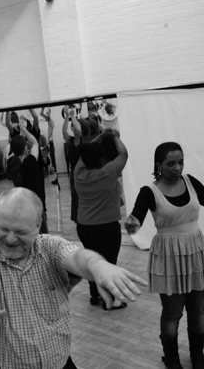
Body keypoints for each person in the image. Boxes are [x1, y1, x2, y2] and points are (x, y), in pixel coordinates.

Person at [0, 187, 148, 369]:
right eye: (2, 228)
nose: (10, 239)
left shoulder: (50, 247)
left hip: (60, 364)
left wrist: (98, 265)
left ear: (38, 225)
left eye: (20, 231)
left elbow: (77, 256)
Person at [125, 142, 204, 369]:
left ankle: (197, 356)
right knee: (172, 313)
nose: (177, 167)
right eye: (171, 163)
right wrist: (131, 225)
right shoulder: (149, 192)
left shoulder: (190, 182)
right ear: (158, 164)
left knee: (198, 309)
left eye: (180, 162)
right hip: (169, 256)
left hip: (195, 251)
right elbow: (136, 218)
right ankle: (171, 359)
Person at [74, 128, 128, 309]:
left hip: (84, 227)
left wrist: (103, 135)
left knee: (92, 262)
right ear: (101, 159)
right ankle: (109, 301)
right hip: (106, 227)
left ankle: (95, 295)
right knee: (108, 264)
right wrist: (113, 136)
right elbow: (123, 153)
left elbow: (89, 149)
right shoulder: (108, 172)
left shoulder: (78, 172)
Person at [9, 117, 48, 234]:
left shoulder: (11, 163)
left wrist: (21, 131)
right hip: (35, 205)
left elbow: (18, 143)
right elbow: (35, 142)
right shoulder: (29, 162)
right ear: (26, 148)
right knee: (41, 236)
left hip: (22, 206)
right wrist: (24, 129)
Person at [41, 107, 59, 186]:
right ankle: (56, 178)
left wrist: (47, 140)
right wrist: (42, 108)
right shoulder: (50, 121)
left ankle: (57, 178)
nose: (46, 115)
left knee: (54, 161)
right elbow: (41, 114)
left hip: (51, 142)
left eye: (47, 113)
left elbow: (51, 132)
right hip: (50, 142)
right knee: (52, 160)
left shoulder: (51, 121)